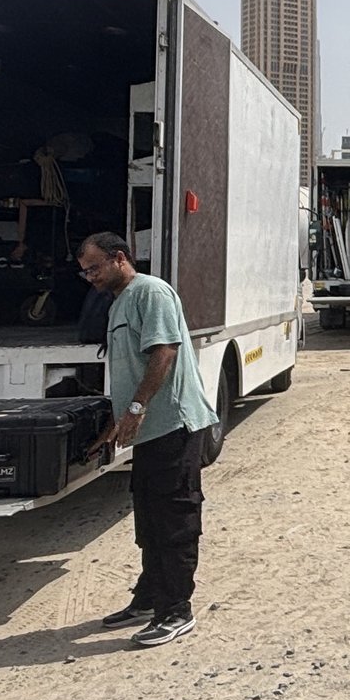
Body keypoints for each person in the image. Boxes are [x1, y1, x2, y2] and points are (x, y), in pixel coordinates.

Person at [79, 230, 215, 648]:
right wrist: (114, 424)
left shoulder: (150, 292)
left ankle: (177, 610)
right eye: (85, 272)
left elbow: (164, 352)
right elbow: (129, 368)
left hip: (173, 425)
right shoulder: (119, 300)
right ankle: (150, 597)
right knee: (150, 520)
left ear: (119, 258)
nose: (90, 277)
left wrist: (137, 408)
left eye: (95, 268)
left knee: (174, 520)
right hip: (148, 431)